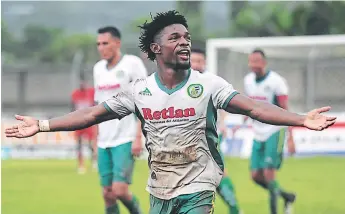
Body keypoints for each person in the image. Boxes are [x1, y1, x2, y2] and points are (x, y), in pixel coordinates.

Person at [5, 10, 336, 214]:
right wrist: (43, 125)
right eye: (175, 37)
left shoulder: (208, 84)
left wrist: (301, 119)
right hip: (159, 189)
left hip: (199, 185)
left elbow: (255, 108)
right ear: (155, 48)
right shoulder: (140, 91)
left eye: (187, 37)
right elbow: (93, 113)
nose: (185, 42)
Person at [95, 26, 148, 214]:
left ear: (117, 43)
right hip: (104, 140)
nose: (101, 48)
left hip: (125, 137)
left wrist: (138, 136)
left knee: (119, 190)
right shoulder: (98, 69)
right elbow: (97, 108)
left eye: (105, 43)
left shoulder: (132, 64)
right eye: (98, 44)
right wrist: (95, 142)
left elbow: (144, 101)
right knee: (107, 193)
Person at [244, 49, 297, 214]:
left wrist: (290, 138)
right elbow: (250, 103)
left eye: (257, 61)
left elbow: (285, 110)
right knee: (255, 176)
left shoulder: (277, 82)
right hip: (257, 132)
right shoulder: (248, 81)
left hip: (275, 131)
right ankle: (287, 196)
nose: (254, 65)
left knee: (268, 174)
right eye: (251, 62)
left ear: (264, 63)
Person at [191, 48, 241, 214]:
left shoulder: (211, 82)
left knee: (216, 173)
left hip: (208, 137)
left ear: (204, 63)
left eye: (200, 61)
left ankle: (234, 207)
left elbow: (223, 103)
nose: (196, 64)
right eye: (193, 60)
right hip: (187, 140)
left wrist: (224, 124)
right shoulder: (181, 82)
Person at [71, 72, 97, 174]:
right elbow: (72, 108)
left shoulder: (91, 92)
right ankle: (81, 164)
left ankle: (94, 161)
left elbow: (96, 105)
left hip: (89, 122)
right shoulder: (75, 94)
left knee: (92, 143)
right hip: (78, 122)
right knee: (79, 144)